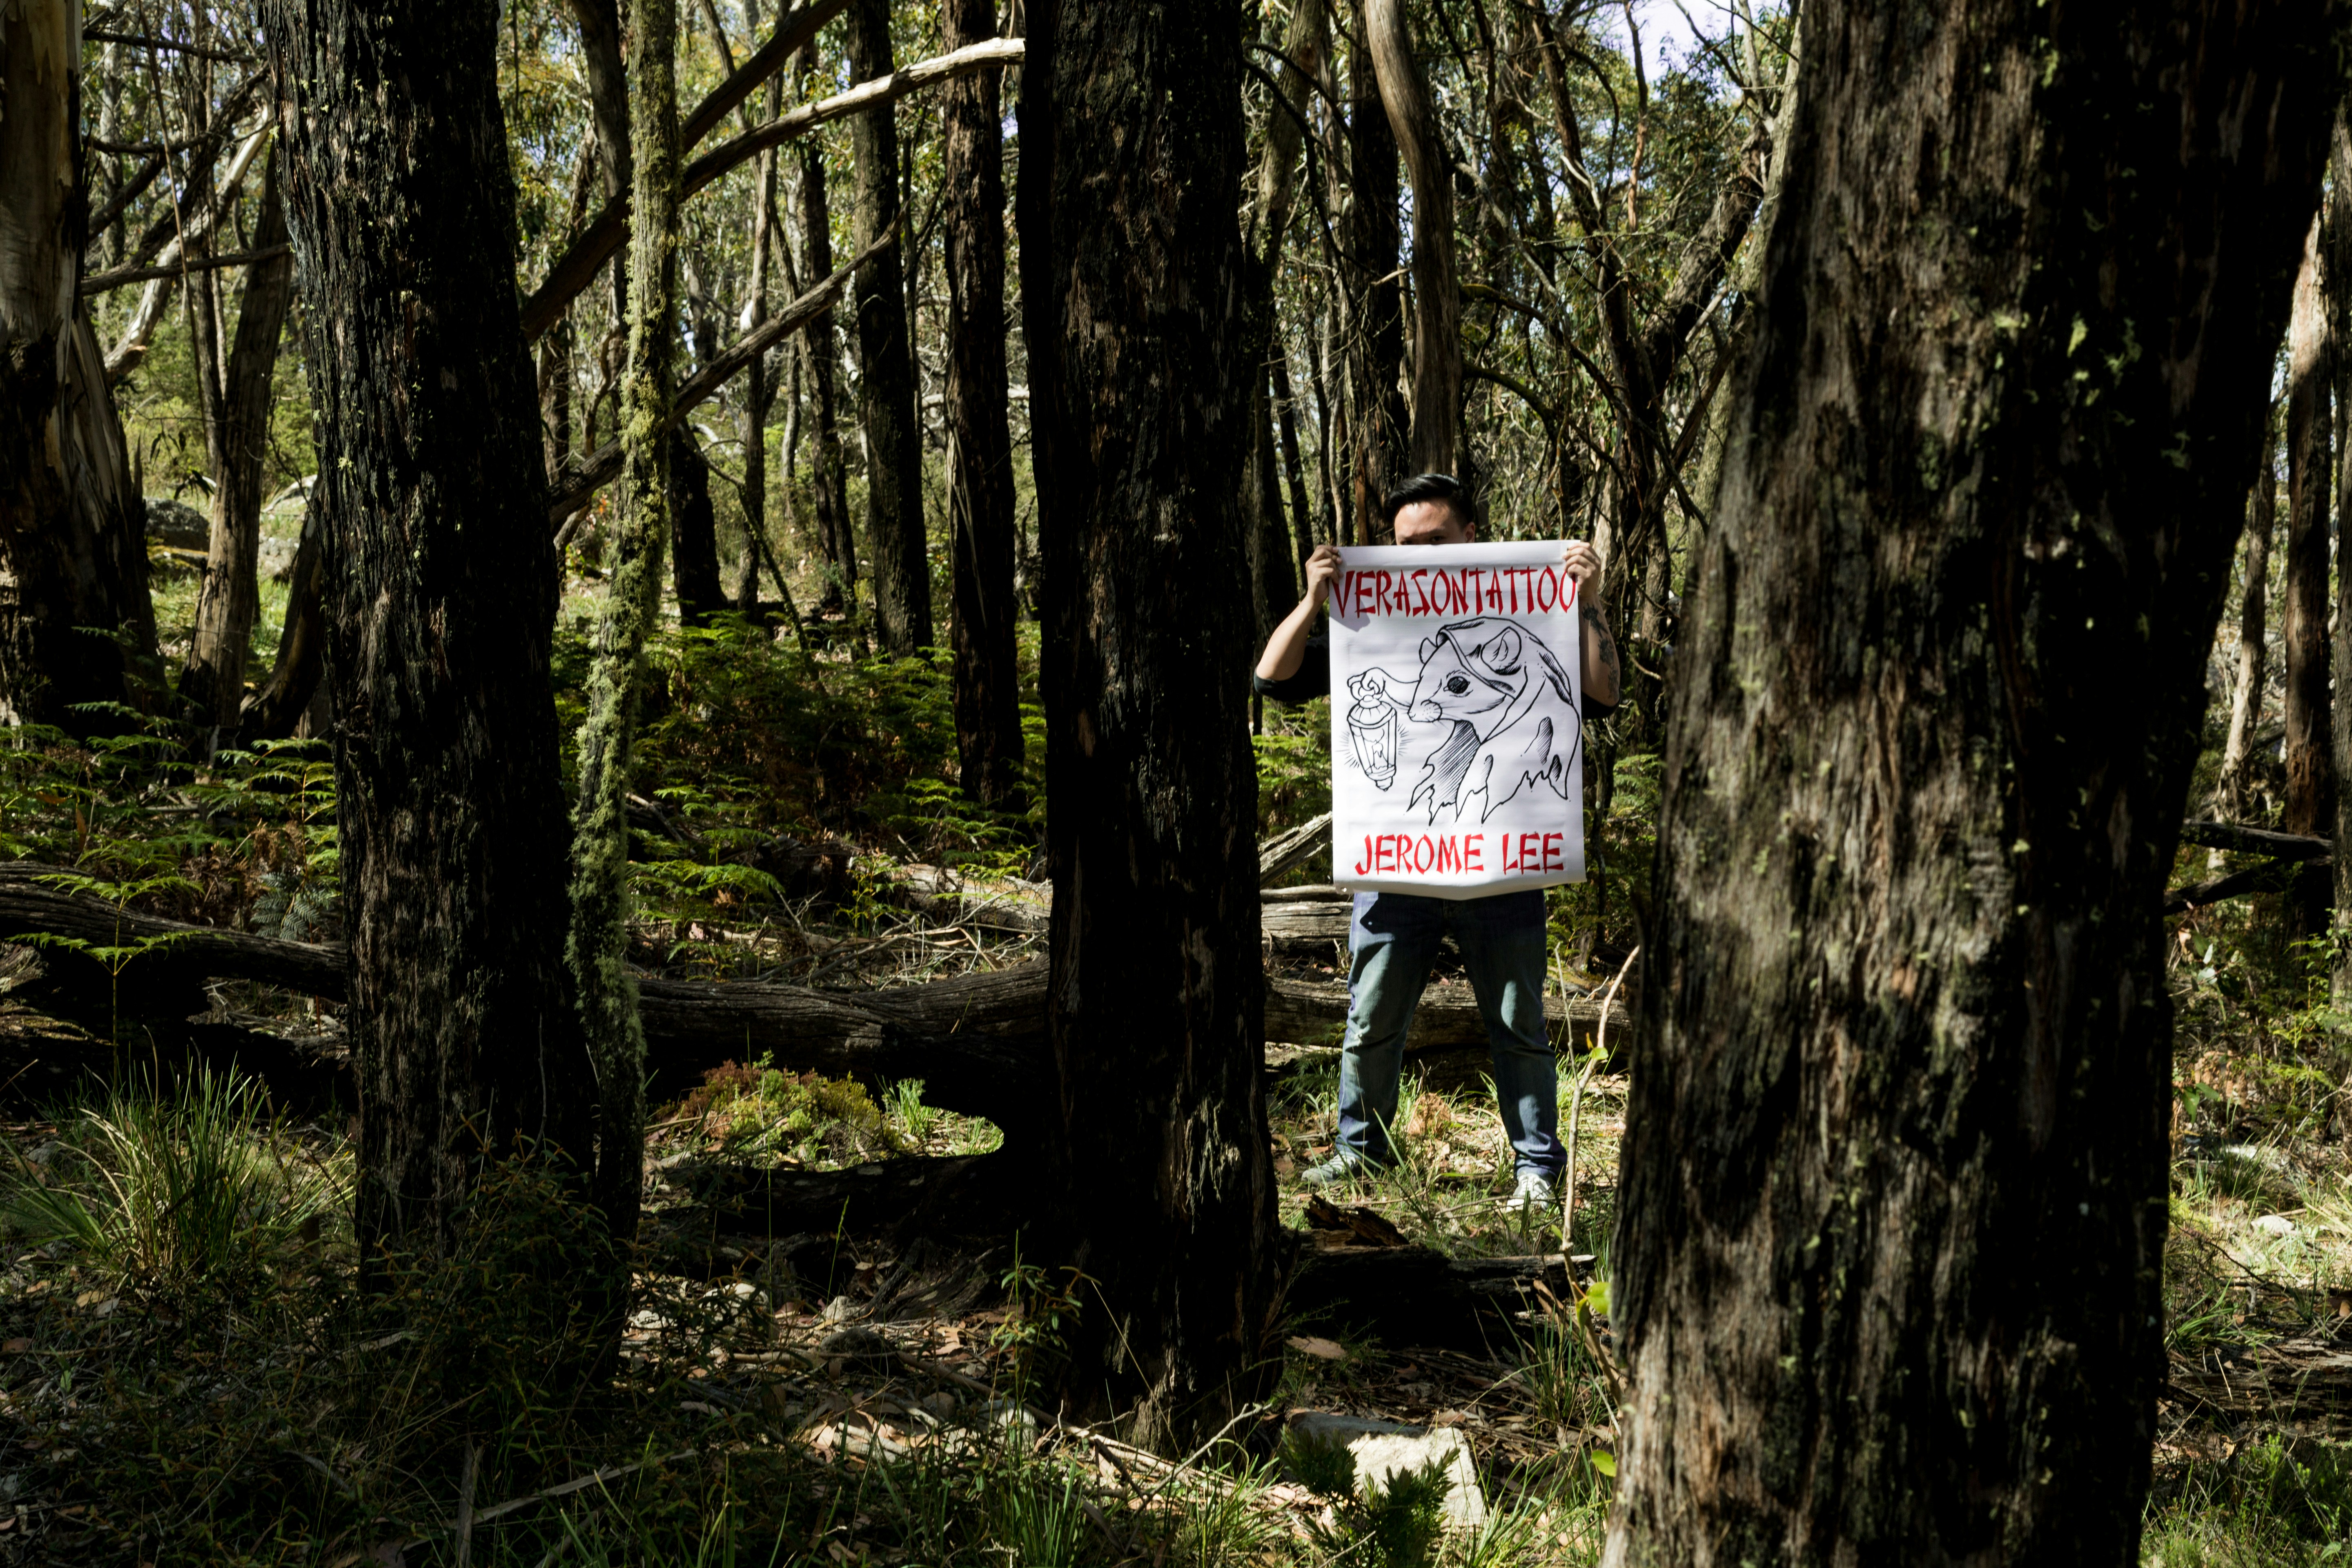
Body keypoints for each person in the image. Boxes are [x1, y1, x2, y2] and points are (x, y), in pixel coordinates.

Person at [1253, 472, 1622, 1213]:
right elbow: (1271, 676)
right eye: (1402, 546)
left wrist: (1587, 604)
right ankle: (1358, 1153)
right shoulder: (1373, 620)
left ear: (1471, 541)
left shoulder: (1530, 615)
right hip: (1398, 871)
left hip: (1504, 872)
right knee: (1372, 1019)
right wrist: (1313, 599)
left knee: (1519, 1024)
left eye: (1432, 543)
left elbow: (1604, 695)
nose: (1414, 557)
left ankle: (1537, 1169)